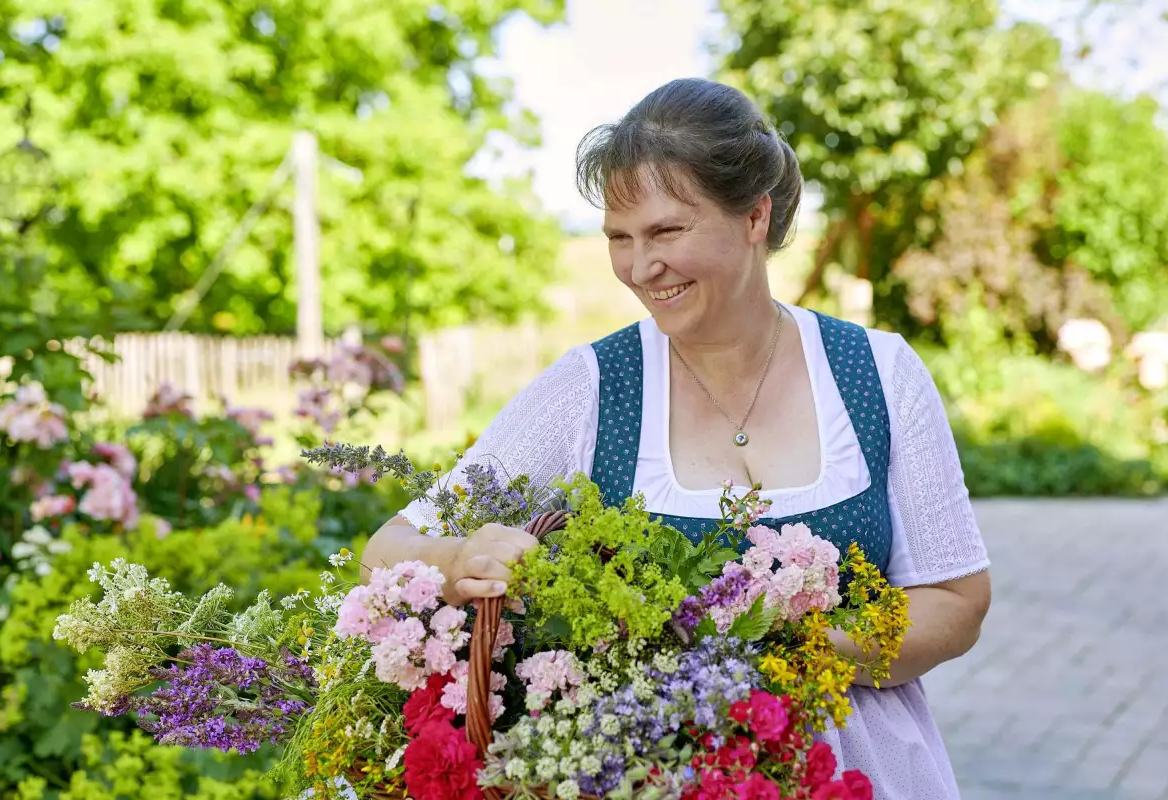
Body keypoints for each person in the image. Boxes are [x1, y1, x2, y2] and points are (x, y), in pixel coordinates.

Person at [361, 77, 991, 800]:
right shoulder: (593, 386)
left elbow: (955, 598)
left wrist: (786, 657)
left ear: (755, 216)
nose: (638, 267)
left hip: (859, 771)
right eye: (618, 239)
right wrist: (455, 558)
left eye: (666, 231)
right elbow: (389, 547)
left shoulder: (876, 373)